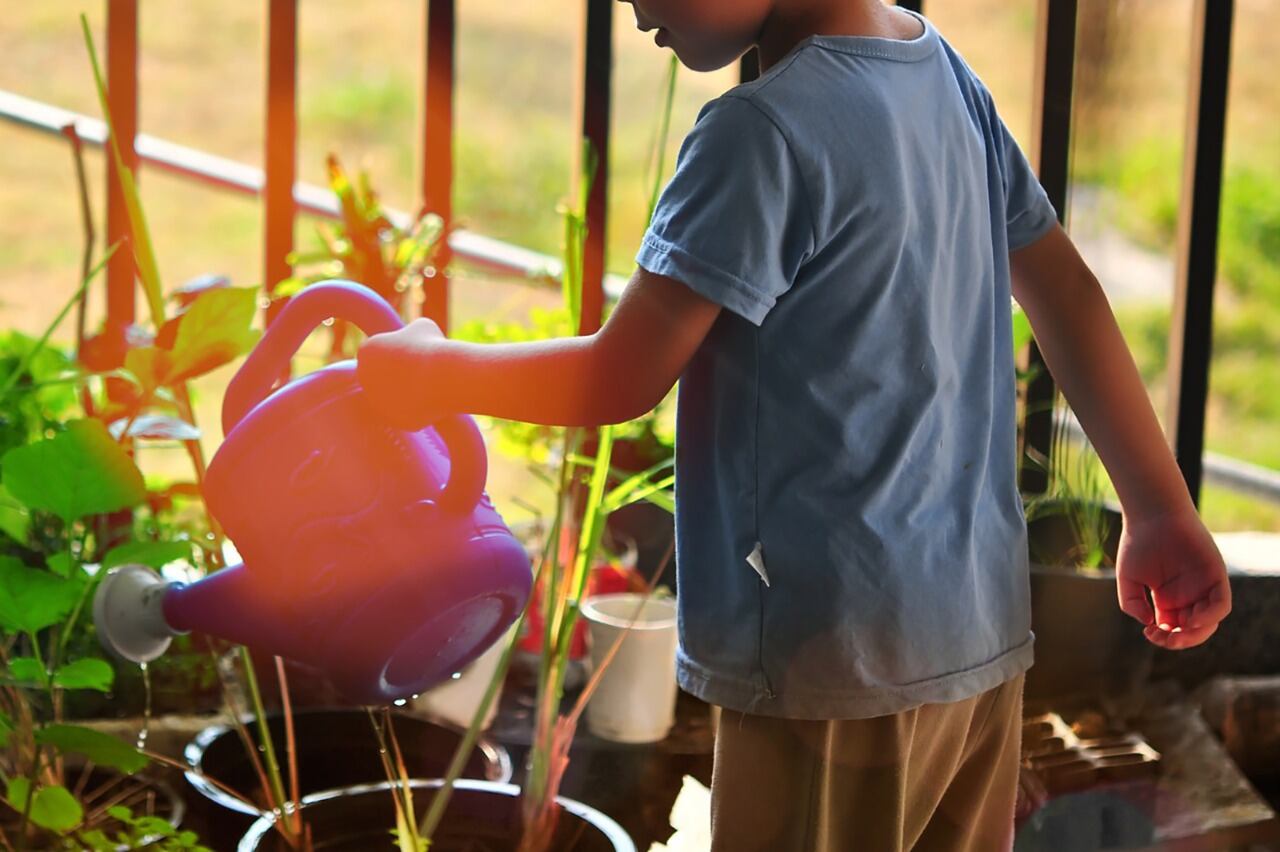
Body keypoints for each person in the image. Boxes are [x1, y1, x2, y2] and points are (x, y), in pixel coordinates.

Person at [355, 1, 1232, 848]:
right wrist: (1158, 508)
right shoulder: (942, 75)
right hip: (976, 643)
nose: (633, 9)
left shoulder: (759, 133)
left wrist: (433, 375)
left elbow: (619, 375)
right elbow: (1066, 292)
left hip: (831, 667)